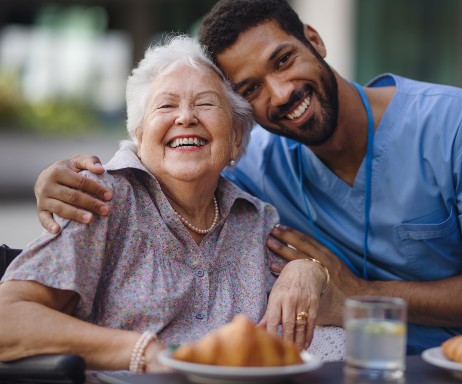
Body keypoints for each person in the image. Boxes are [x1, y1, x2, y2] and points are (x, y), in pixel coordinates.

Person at [32, 0, 462, 366]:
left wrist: (355, 295)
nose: (280, 95)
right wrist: (61, 179)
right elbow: (178, 153)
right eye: (250, 90)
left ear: (315, 40)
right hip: (379, 366)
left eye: (283, 61)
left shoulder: (455, 122)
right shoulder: (255, 166)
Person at [0, 34, 344, 373]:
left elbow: (331, 321)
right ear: (139, 133)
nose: (185, 117)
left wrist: (310, 271)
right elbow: (8, 319)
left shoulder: (255, 219)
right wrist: (142, 352)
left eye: (206, 104)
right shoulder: (102, 198)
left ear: (236, 136)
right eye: (166, 105)